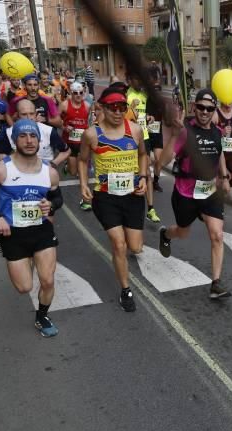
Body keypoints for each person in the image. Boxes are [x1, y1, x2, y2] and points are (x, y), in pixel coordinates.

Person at [0, 119, 63, 337]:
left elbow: (58, 198)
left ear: (39, 141)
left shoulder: (49, 172)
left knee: (48, 280)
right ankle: (25, 260)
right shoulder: (2, 170)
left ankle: (42, 317)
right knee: (24, 287)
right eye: (23, 136)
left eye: (33, 136)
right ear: (14, 141)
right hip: (13, 234)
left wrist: (51, 205)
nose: (29, 140)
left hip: (41, 231)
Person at [78, 86, 149, 311]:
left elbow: (143, 155)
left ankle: (124, 257)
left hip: (132, 196)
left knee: (135, 247)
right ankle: (125, 290)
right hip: (106, 197)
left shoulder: (135, 130)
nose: (118, 113)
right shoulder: (92, 134)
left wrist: (144, 177)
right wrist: (83, 183)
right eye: (113, 108)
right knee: (119, 245)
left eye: (122, 108)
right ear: (103, 108)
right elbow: (82, 160)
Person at [158, 89, 232, 300]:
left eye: (209, 108)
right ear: (194, 107)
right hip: (186, 193)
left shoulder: (217, 132)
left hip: (209, 192)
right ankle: (165, 234)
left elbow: (219, 155)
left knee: (217, 235)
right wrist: (173, 135)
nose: (205, 112)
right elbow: (162, 162)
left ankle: (216, 284)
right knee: (182, 232)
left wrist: (225, 178)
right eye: (201, 107)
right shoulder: (185, 132)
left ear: (214, 110)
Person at [125, 73, 161, 223]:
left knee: (147, 173)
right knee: (130, 171)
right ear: (130, 79)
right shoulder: (125, 94)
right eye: (136, 78)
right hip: (128, 138)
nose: (140, 81)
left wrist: (149, 117)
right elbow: (120, 117)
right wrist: (129, 110)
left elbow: (145, 114)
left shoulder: (144, 94)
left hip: (144, 137)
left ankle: (151, 209)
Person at [59, 82, 90, 180]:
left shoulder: (87, 106)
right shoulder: (64, 105)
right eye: (75, 93)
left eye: (81, 93)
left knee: (82, 172)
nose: (78, 95)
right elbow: (55, 119)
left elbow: (90, 121)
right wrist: (64, 127)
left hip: (82, 142)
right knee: (73, 172)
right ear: (71, 93)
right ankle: (68, 165)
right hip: (69, 142)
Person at [145, 85, 173, 194]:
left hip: (157, 134)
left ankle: (155, 182)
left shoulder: (162, 105)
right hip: (146, 134)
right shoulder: (145, 101)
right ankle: (145, 180)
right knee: (148, 160)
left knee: (159, 160)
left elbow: (168, 122)